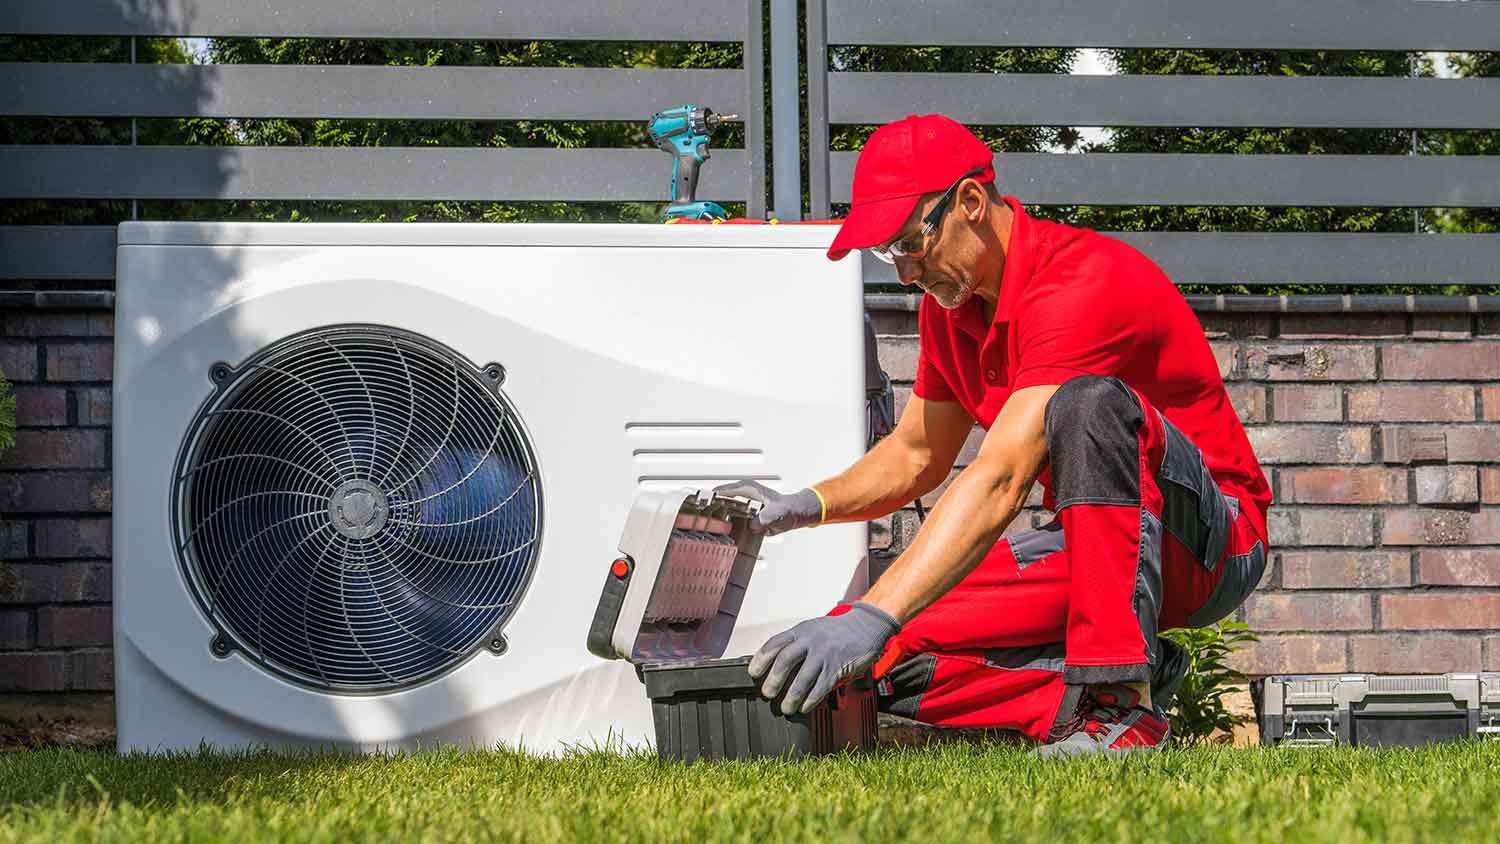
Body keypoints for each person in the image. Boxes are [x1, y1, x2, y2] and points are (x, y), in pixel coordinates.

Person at [715, 114, 1270, 756]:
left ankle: (1121, 706)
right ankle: (1108, 686)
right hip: (1095, 550)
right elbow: (916, 454)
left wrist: (876, 611)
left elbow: (1001, 476)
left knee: (1088, 405)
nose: (902, 273)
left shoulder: (1082, 283)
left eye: (908, 244)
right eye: (885, 253)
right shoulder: (950, 309)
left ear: (972, 202)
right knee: (874, 656)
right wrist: (802, 506)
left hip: (1210, 544)